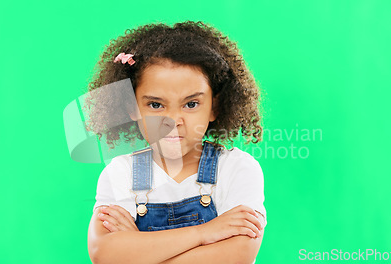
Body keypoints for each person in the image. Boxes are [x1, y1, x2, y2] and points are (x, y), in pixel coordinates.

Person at [86, 21, 266, 264]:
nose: (173, 121)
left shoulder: (237, 169)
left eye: (191, 104)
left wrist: (137, 252)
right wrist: (204, 233)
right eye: (156, 105)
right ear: (132, 108)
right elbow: (104, 254)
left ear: (214, 106)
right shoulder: (120, 174)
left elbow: (237, 255)